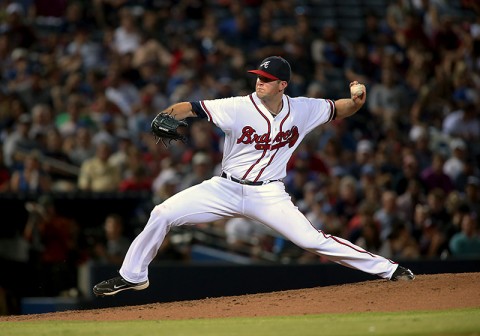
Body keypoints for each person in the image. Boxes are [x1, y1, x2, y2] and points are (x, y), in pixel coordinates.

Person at [93, 56, 415, 296]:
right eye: (258, 76)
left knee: (312, 240)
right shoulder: (237, 106)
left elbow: (341, 108)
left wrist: (357, 100)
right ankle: (134, 275)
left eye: (267, 78)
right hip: (225, 188)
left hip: (268, 195)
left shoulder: (303, 108)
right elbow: (189, 107)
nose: (259, 82)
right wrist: (165, 115)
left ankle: (390, 269)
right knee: (162, 213)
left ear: (282, 85)